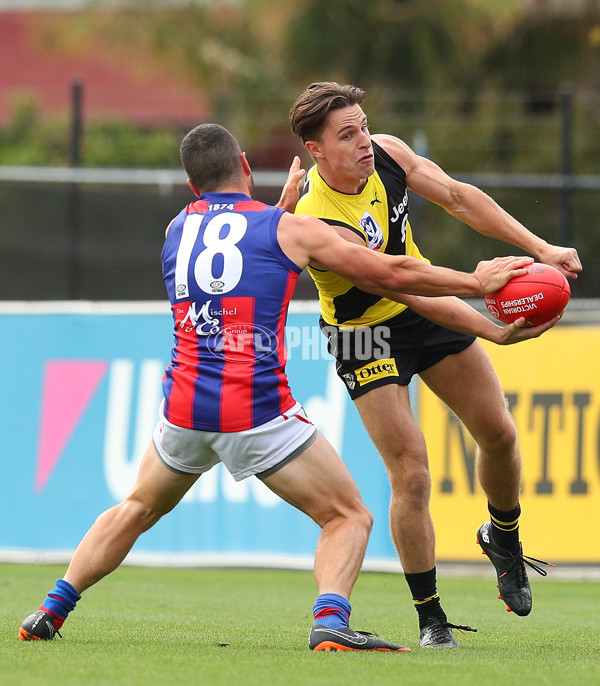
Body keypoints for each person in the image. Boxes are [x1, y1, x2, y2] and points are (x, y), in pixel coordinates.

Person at [18, 123, 541, 651]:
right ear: (246, 164)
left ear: (192, 183)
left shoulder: (177, 229)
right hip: (255, 412)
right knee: (347, 515)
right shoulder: (291, 229)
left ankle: (50, 609)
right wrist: (478, 284)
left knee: (135, 507)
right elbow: (391, 273)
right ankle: (332, 620)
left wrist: (280, 210)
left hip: (183, 410)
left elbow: (236, 249)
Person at [288, 82, 582, 648]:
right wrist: (484, 312)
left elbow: (458, 196)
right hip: (362, 333)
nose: (364, 142)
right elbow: (398, 283)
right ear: (315, 149)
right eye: (347, 135)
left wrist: (541, 248)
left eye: (364, 126)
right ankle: (431, 617)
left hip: (423, 302)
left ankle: (503, 537)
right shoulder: (318, 218)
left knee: (499, 433)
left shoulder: (390, 155)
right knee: (413, 473)